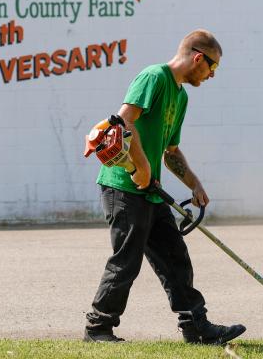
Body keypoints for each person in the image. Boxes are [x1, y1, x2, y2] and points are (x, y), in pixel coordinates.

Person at [83, 29, 246, 345]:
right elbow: (123, 121)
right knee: (126, 261)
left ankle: (196, 328)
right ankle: (98, 328)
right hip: (123, 186)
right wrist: (142, 166)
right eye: (213, 67)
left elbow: (171, 151)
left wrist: (194, 183)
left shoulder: (181, 95)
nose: (212, 75)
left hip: (150, 190)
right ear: (198, 57)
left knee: (175, 258)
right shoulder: (153, 77)